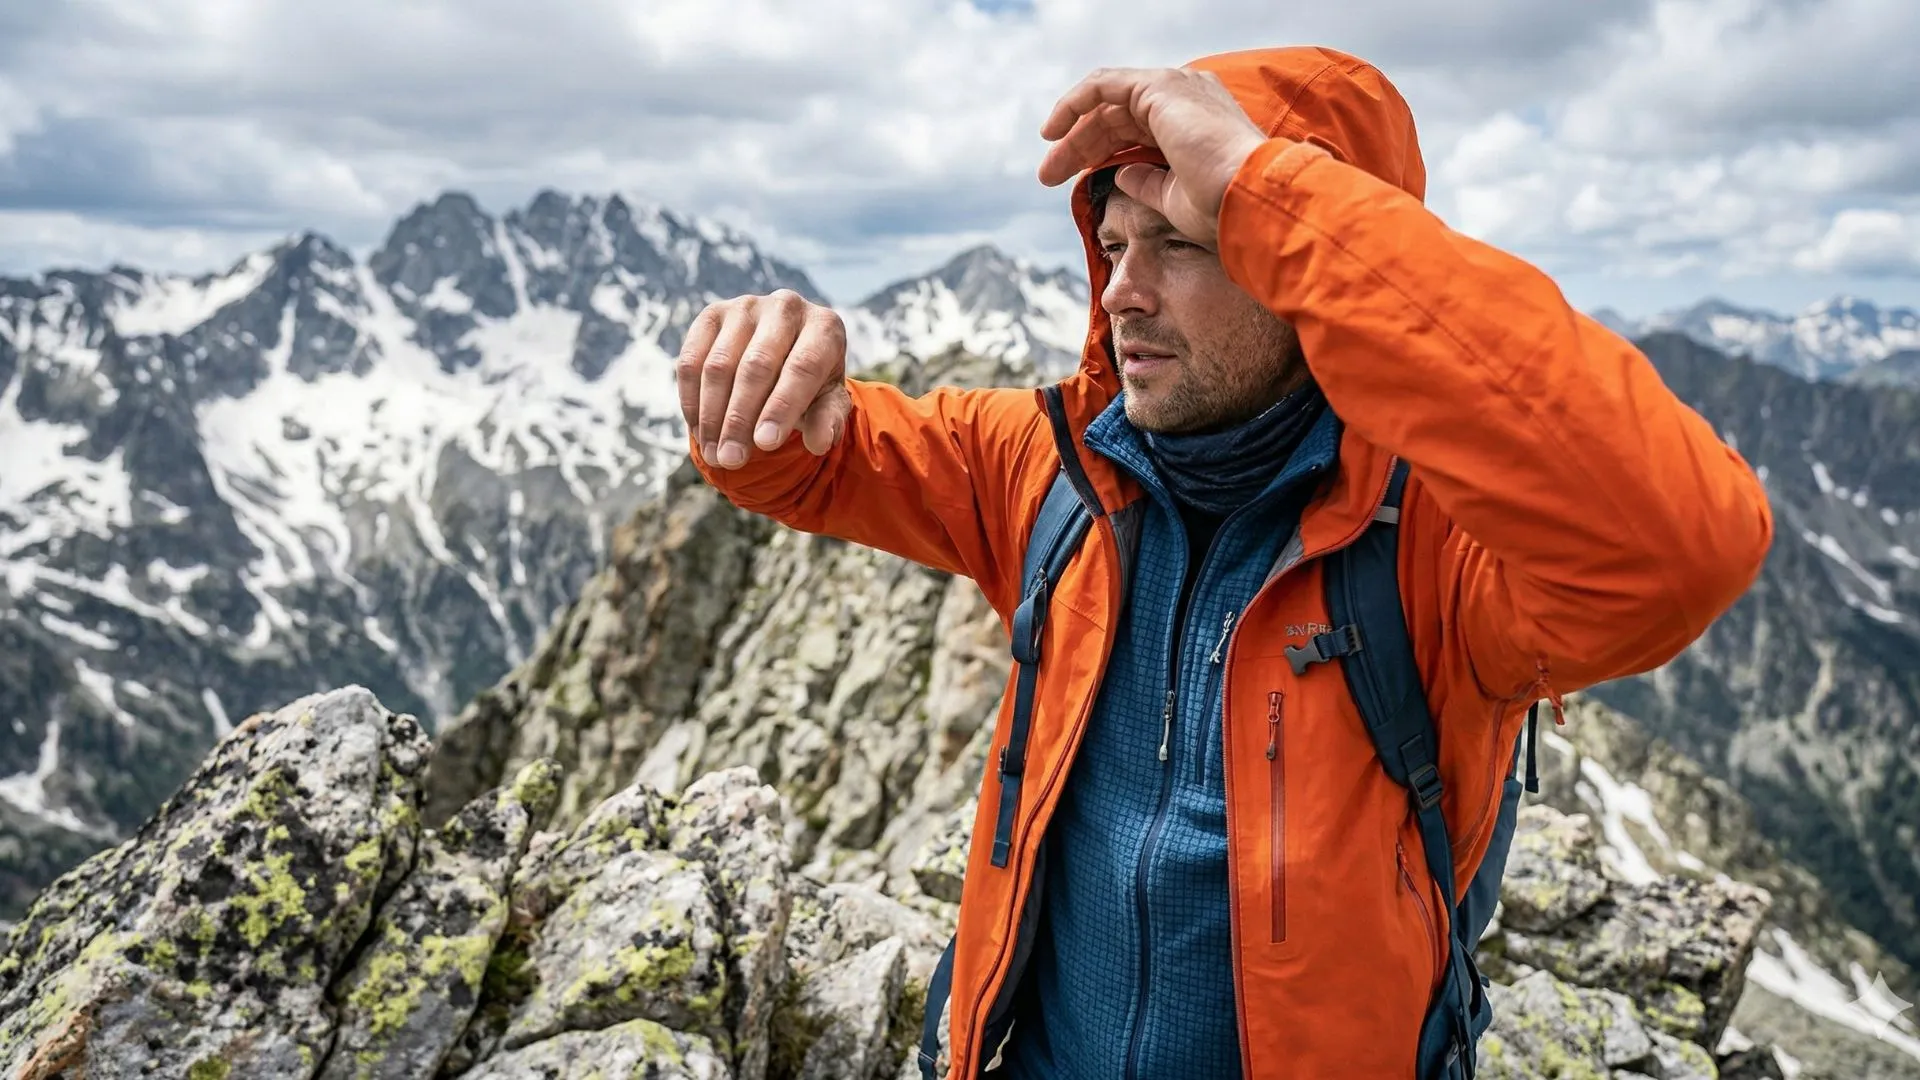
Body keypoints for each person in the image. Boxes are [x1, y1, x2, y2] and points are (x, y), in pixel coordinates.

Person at [676, 45, 1773, 1080]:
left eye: (1185, 245)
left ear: (1306, 266)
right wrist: (761, 378)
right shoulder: (1054, 468)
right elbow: (804, 464)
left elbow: (1685, 547)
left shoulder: (1442, 547)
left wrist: (1264, 185)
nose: (1121, 292)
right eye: (1111, 246)